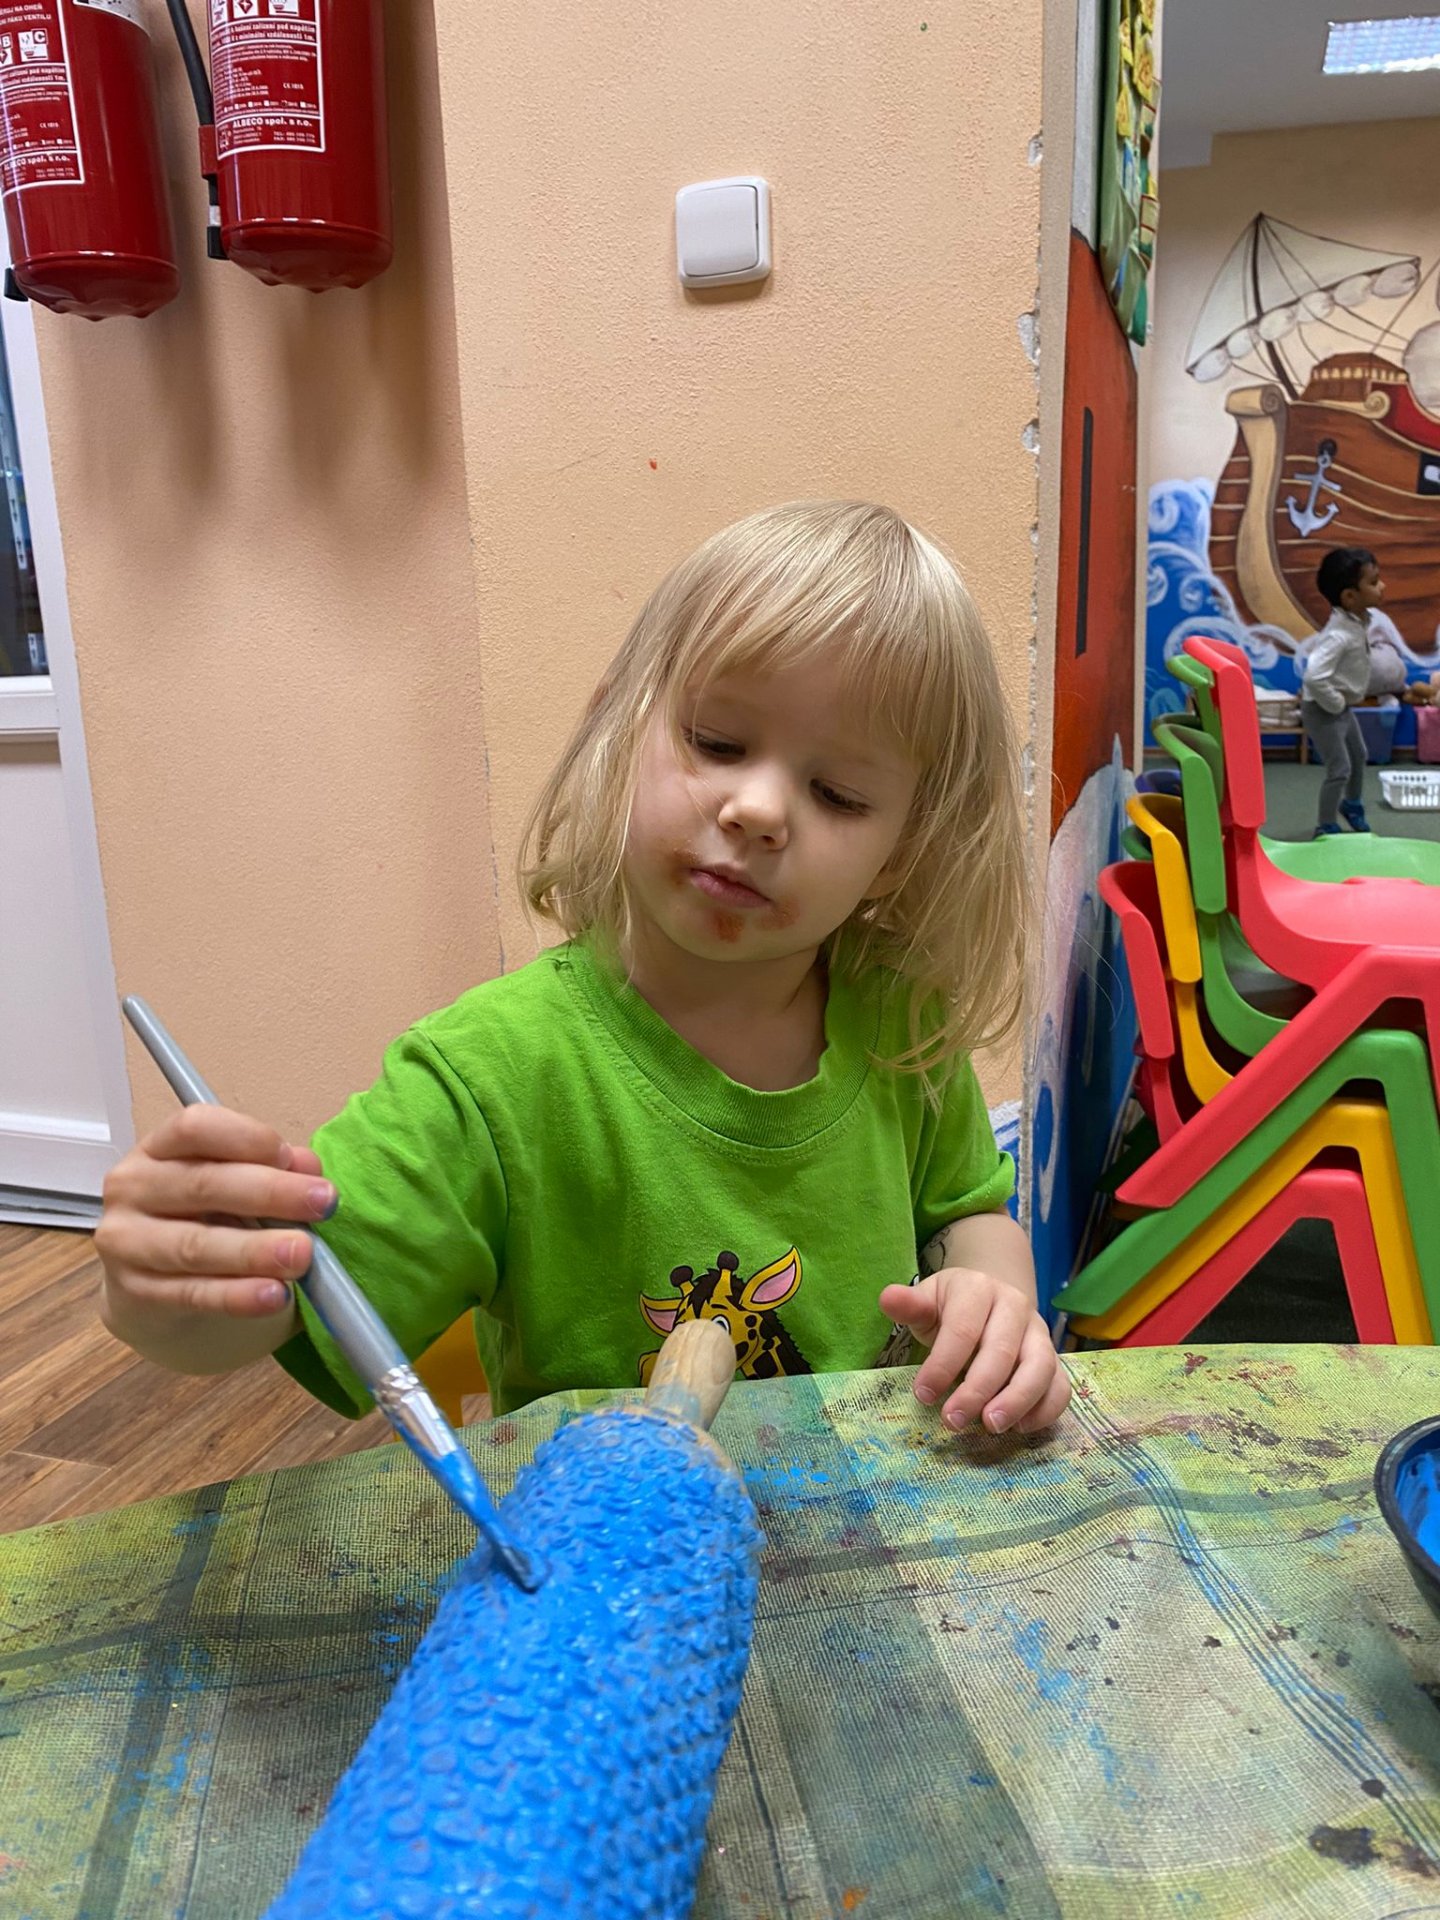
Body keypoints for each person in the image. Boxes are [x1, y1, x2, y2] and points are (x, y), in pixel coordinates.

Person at [95, 502, 1069, 1441]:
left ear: (902, 851)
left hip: (863, 1521)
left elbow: (967, 1214)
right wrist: (169, 1290)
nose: (761, 810)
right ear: (616, 730)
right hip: (590, 1541)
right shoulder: (488, 1077)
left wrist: (994, 1298)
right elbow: (285, 1305)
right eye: (717, 743)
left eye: (839, 794)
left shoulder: (903, 1023)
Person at [1301, 547, 1397, 839]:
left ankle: (1352, 804)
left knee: (1359, 755)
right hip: (1322, 709)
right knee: (1339, 768)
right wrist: (1335, 702)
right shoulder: (1339, 634)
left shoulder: (1357, 619)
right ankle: (1325, 824)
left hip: (1338, 707)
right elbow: (1314, 676)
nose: (1382, 586)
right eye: (1374, 582)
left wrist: (1341, 703)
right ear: (1350, 597)